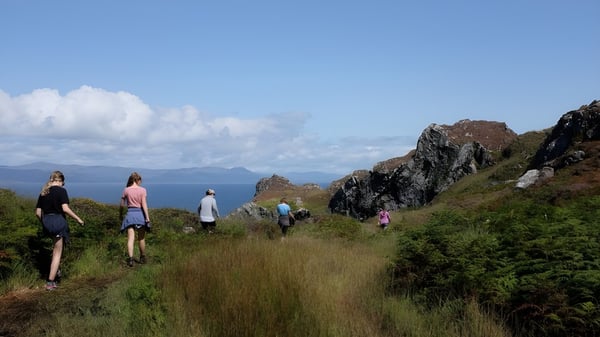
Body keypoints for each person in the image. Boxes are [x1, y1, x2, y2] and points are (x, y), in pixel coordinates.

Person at [35, 171, 85, 291]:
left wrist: (45, 222)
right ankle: (50, 282)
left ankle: (56, 271)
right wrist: (79, 219)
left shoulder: (43, 192)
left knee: (55, 248)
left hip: (47, 221)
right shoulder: (62, 191)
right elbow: (65, 209)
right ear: (61, 181)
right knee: (58, 252)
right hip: (58, 221)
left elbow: (37, 212)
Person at [120, 172, 151, 267]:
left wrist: (120, 215)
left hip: (130, 215)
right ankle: (142, 257)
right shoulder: (143, 190)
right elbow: (144, 205)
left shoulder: (126, 190)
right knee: (141, 238)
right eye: (140, 181)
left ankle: (130, 259)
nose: (141, 182)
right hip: (140, 215)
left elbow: (121, 205)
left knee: (130, 238)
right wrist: (147, 217)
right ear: (137, 180)